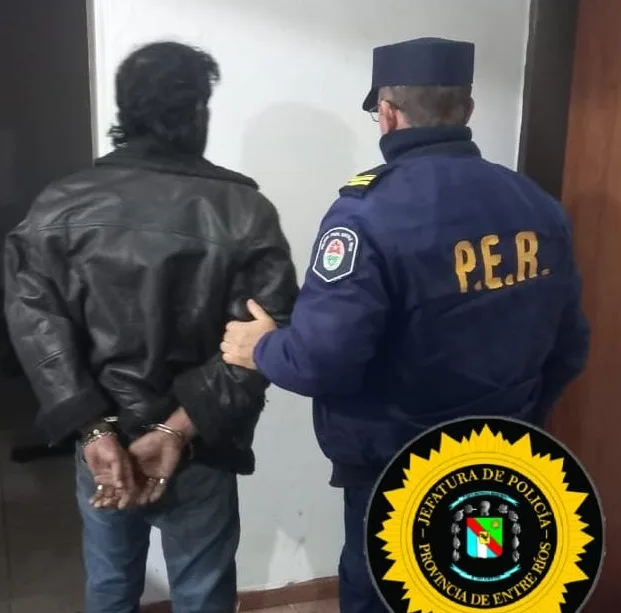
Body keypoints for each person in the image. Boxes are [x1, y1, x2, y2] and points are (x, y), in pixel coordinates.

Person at [220, 37, 590, 613]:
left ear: (388, 114)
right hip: (502, 450)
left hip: (398, 466)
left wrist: (261, 347)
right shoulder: (535, 204)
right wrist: (523, 418)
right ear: (467, 110)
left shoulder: (365, 213)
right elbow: (570, 346)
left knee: (387, 592)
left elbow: (322, 360)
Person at [4, 41, 298, 613]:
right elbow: (267, 335)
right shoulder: (244, 211)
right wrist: (176, 430)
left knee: (110, 587)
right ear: (198, 112)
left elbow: (37, 329)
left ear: (125, 111)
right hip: (199, 441)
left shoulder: (59, 205)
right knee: (203, 592)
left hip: (103, 446)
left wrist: (95, 431)